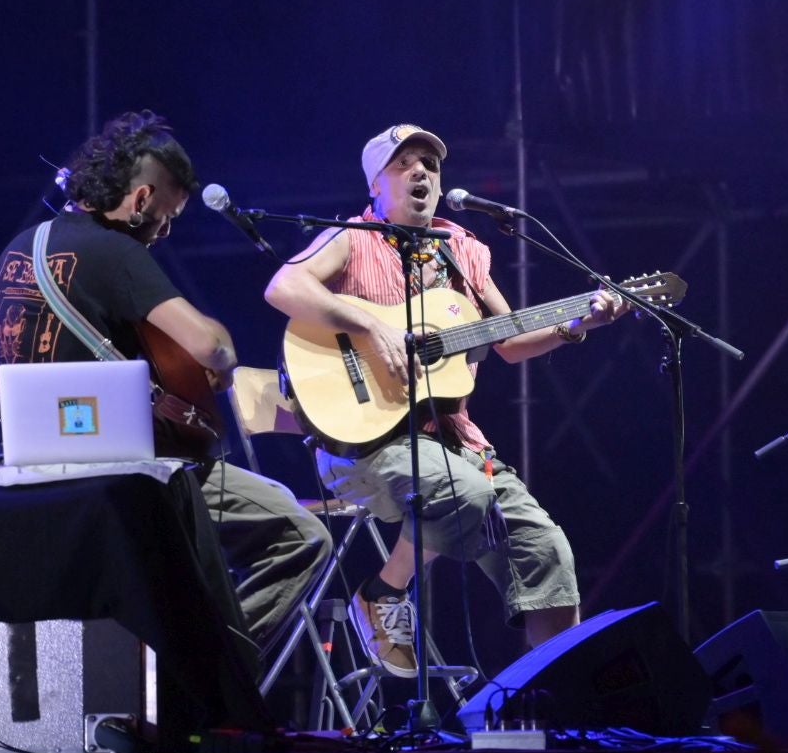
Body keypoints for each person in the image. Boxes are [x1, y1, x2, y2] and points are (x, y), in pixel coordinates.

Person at [264, 124, 630, 678]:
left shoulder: (461, 249)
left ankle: (561, 705)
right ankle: (384, 590)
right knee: (466, 491)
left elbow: (506, 340)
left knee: (546, 553)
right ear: (375, 184)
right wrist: (368, 324)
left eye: (429, 165)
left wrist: (576, 325)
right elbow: (283, 288)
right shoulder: (351, 237)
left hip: (453, 441)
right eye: (403, 163)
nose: (421, 173)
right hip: (364, 443)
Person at [0, 110, 330, 667]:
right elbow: (211, 348)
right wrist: (218, 352)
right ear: (142, 198)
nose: (163, 233)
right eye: (166, 217)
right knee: (300, 533)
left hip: (39, 473)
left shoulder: (20, 249)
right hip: (129, 472)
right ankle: (208, 677)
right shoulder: (115, 251)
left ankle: (175, 667)